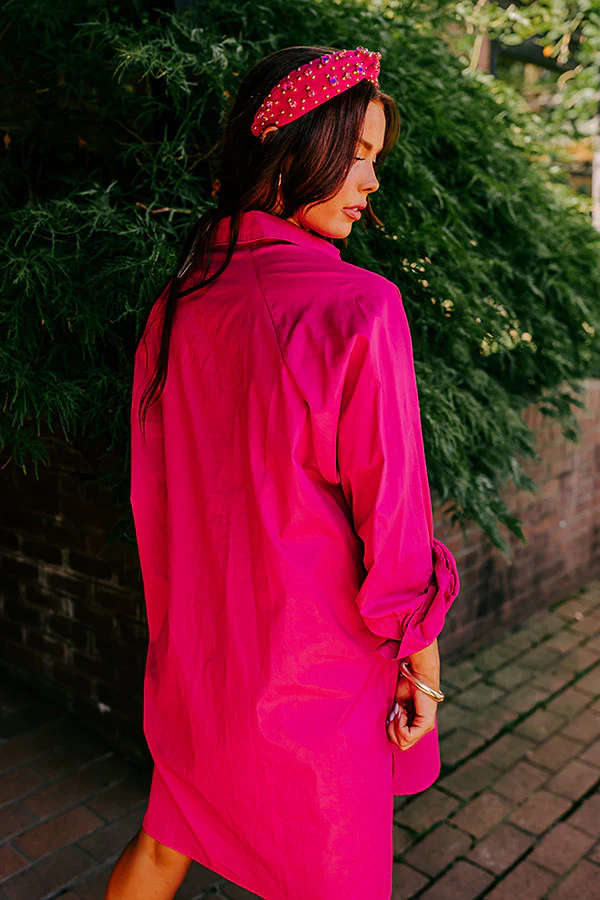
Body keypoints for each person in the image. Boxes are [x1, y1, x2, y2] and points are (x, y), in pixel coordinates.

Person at [106, 44, 460, 900]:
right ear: (300, 147)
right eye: (359, 153)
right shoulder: (357, 307)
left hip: (202, 663)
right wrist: (424, 669)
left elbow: (157, 498)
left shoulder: (181, 302)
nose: (373, 179)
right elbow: (394, 523)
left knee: (165, 841)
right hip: (318, 677)